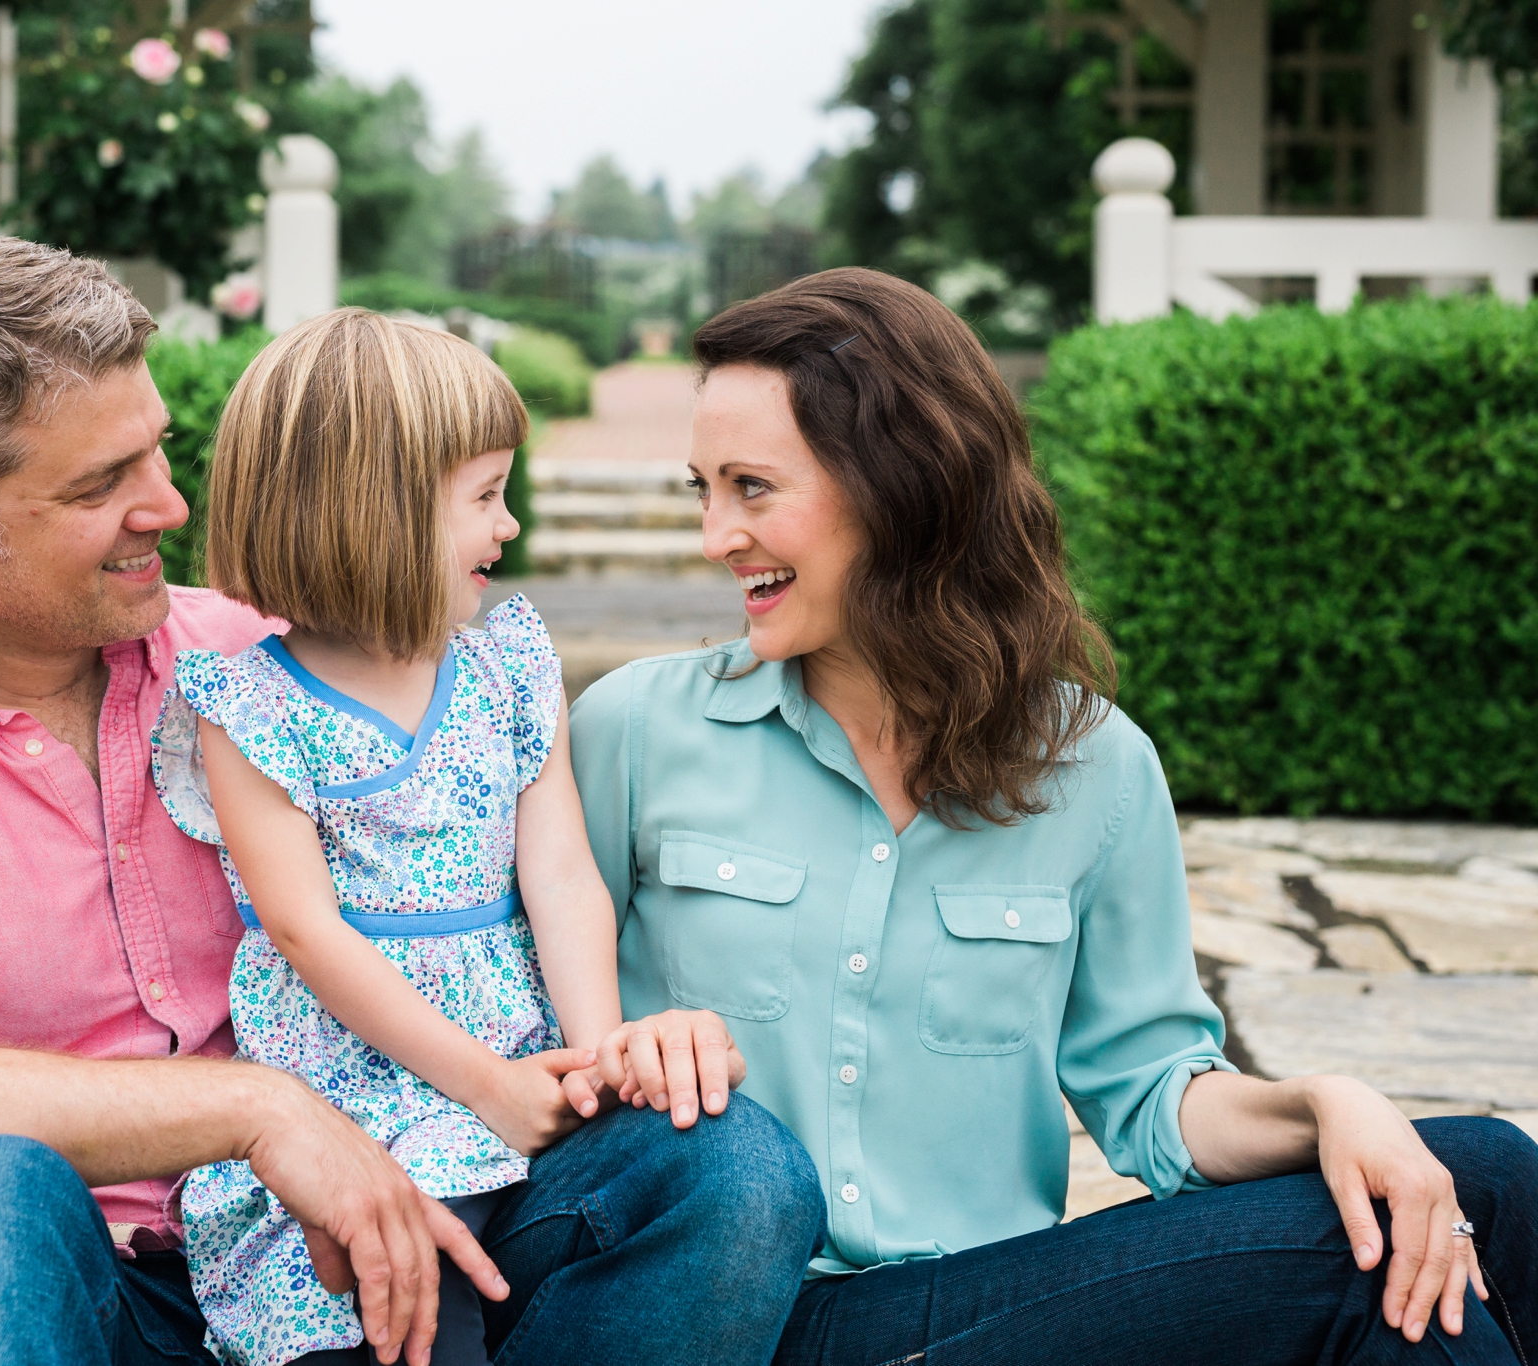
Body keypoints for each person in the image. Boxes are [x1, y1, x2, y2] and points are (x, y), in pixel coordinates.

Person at [0, 230, 824, 1366]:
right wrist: (261, 1111)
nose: (169, 506)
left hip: (413, 1216)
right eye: (102, 484)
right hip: (98, 1299)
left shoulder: (286, 657)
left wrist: (625, 1039)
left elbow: (529, 847)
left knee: (726, 1169)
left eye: (157, 450)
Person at [567, 267, 1538, 1365]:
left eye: (750, 487)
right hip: (737, 1308)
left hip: (991, 1310)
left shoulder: (1096, 766)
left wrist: (1325, 1102)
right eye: (702, 487)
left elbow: (1152, 1097)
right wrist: (620, 1052)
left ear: (898, 482)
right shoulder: (634, 732)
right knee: (1389, 1263)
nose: (713, 536)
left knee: (1483, 1175)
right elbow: (525, 1050)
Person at [154, 309, 624, 1366]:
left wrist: (590, 1058)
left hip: (519, 1050)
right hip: (358, 1087)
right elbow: (307, 934)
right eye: (485, 497)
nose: (509, 527)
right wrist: (484, 1086)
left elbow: (558, 873)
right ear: (376, 511)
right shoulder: (252, 707)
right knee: (407, 1307)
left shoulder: (504, 660)